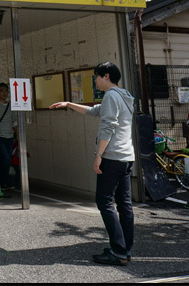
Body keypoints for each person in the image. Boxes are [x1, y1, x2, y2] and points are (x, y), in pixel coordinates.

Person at [49, 62, 135, 266]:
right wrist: (69, 104)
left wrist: (99, 155)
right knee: (124, 204)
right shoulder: (123, 95)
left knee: (104, 202)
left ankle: (119, 251)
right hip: (126, 157)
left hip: (112, 157)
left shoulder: (111, 96)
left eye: (96, 77)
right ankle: (125, 248)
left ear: (106, 76)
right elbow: (94, 111)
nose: (94, 80)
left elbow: (108, 126)